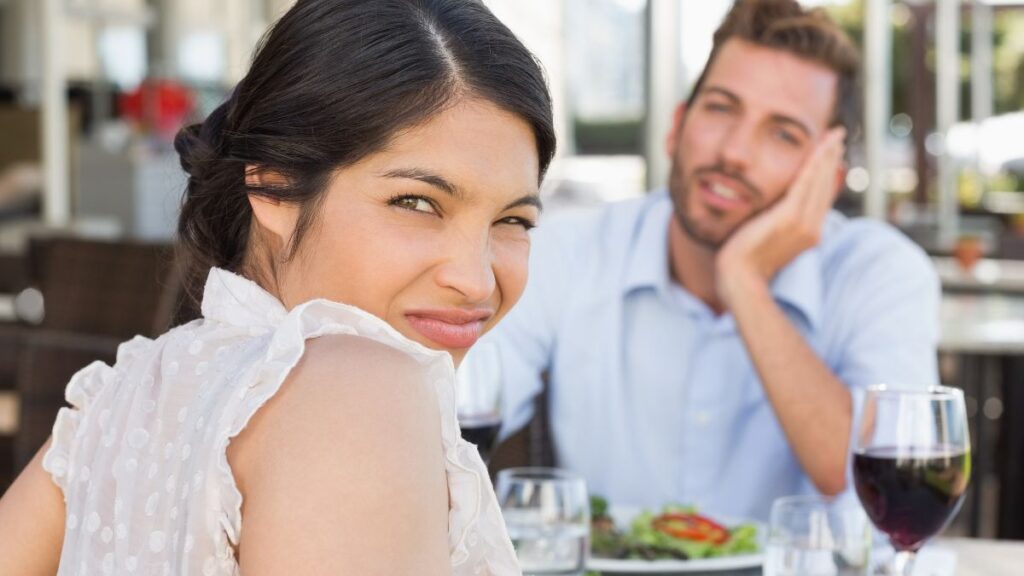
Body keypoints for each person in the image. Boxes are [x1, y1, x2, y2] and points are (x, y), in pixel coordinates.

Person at [0, 0, 555, 574]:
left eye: (513, 220)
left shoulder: (120, 400)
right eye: (415, 203)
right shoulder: (363, 386)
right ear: (273, 185)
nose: (475, 278)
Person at [487, 0, 939, 522]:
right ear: (678, 127)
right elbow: (459, 408)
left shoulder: (880, 273)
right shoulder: (573, 250)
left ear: (828, 179)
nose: (735, 152)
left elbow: (869, 484)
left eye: (783, 133)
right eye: (721, 108)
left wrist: (744, 281)